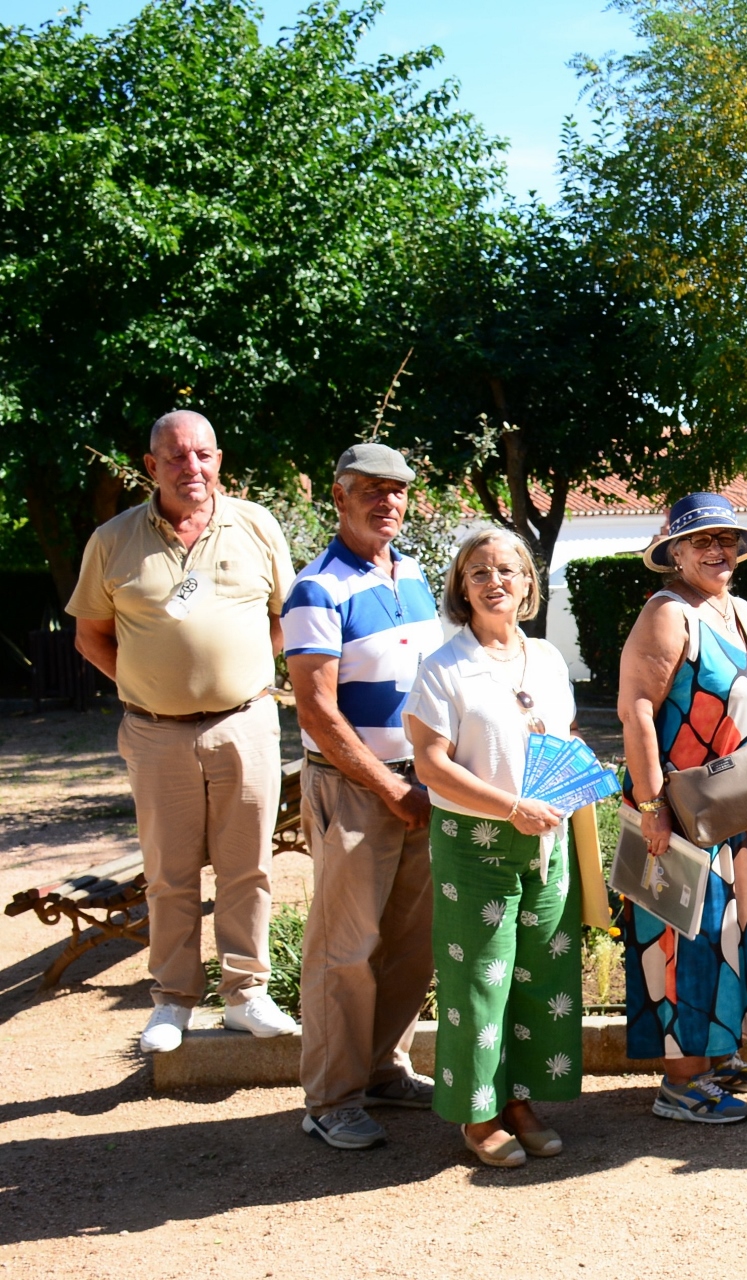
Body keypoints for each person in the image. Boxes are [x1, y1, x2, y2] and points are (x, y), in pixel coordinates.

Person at [67, 411, 299, 1053]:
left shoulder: (257, 525)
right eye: (174, 457)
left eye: (201, 455)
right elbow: (90, 635)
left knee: (247, 868)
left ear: (218, 459)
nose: (189, 467)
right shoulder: (112, 540)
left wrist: (246, 669)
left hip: (245, 725)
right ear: (151, 466)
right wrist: (146, 685)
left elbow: (288, 617)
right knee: (170, 874)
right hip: (154, 734)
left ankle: (247, 995)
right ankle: (172, 1002)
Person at [617, 493, 747, 1124]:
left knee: (739, 931)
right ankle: (681, 1083)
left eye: (727, 540)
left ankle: (719, 1055)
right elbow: (637, 711)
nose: (717, 550)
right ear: (674, 553)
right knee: (689, 936)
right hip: (686, 809)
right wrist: (651, 805)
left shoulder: (740, 610)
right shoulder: (666, 613)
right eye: (701, 541)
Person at [404, 527, 582, 1169]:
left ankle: (521, 1102)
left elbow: (563, 736)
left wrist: (568, 791)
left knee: (541, 976)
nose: (494, 581)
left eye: (507, 569)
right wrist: (511, 807)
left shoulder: (549, 660)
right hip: (476, 843)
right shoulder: (443, 668)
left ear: (529, 583)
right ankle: (479, 1114)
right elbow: (429, 764)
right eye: (478, 572)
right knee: (479, 979)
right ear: (461, 588)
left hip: (549, 838)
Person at [284, 444, 444, 1150]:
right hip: (356, 791)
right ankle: (330, 1099)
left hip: (422, 786)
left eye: (398, 491)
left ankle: (383, 1069)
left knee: (413, 945)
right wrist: (389, 787)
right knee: (343, 951)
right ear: (338, 496)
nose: (387, 502)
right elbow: (316, 712)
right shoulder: (315, 589)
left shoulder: (414, 576)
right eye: (371, 490)